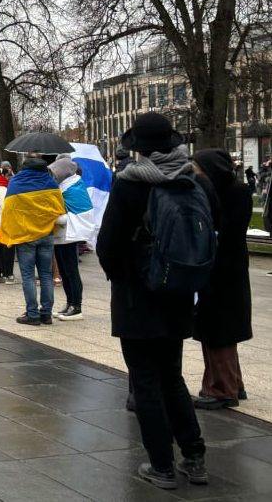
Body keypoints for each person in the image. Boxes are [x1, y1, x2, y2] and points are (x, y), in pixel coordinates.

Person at [96, 112, 210, 489]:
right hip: (178, 291)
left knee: (144, 381)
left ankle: (161, 464)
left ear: (139, 150)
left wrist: (121, 276)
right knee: (172, 377)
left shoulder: (130, 184)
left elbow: (108, 244)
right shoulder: (190, 180)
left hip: (137, 296)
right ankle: (194, 457)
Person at [191, 149, 252, 410]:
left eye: (198, 168)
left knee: (218, 330)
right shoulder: (231, 190)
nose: (195, 172)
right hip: (226, 269)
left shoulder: (229, 193)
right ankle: (232, 383)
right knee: (220, 330)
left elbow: (223, 230)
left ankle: (222, 389)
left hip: (222, 270)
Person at [0, 158, 65, 326]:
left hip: (25, 236)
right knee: (46, 275)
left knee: (28, 276)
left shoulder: (16, 183)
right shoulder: (51, 183)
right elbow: (59, 208)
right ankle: (46, 314)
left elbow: (9, 210)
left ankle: (32, 314)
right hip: (46, 234)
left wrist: (9, 232)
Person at [49, 155, 94, 321]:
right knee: (65, 272)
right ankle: (69, 304)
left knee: (71, 271)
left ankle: (77, 306)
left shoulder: (74, 188)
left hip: (69, 235)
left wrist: (56, 218)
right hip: (61, 236)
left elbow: (82, 215)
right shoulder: (65, 187)